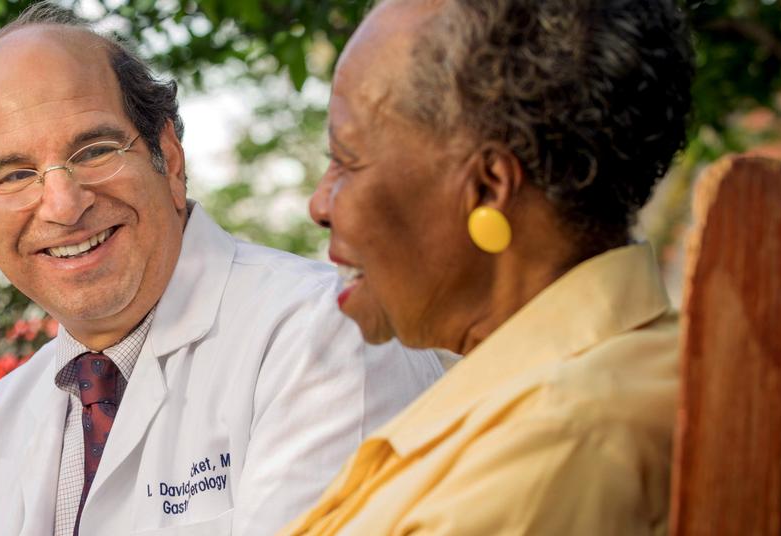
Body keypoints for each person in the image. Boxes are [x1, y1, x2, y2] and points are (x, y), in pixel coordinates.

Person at [0, 4, 443, 535]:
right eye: (17, 175)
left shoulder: (325, 335)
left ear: (170, 158)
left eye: (94, 150)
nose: (64, 205)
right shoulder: (4, 421)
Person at [284, 0, 693, 533]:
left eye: (347, 160)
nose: (319, 204)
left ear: (487, 188)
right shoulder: (595, 378)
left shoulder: (553, 442)